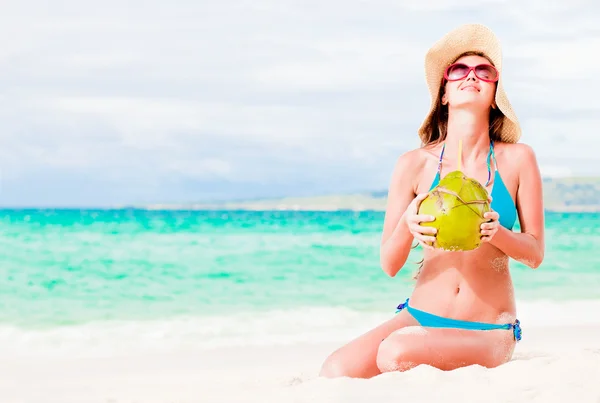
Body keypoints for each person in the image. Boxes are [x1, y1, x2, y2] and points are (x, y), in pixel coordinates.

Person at [319, 23, 545, 378]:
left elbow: (534, 253)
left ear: (495, 90)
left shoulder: (518, 159)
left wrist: (497, 232)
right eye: (459, 70)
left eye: (483, 71)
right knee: (336, 370)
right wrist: (408, 225)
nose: (472, 76)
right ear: (443, 93)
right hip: (420, 315)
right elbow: (390, 264)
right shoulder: (413, 164)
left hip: (487, 329)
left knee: (396, 350)